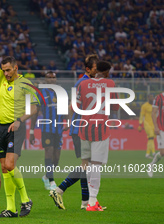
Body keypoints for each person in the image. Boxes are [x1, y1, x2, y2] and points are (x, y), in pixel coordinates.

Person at [0, 24, 38, 218]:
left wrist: (21, 120)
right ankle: (11, 208)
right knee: (4, 168)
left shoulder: (25, 83)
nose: (5, 74)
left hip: (17, 126)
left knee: (11, 165)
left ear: (15, 68)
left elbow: (35, 106)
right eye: (3, 70)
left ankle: (26, 200)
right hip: (2, 128)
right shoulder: (1, 79)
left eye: (8, 70)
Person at [50, 54, 99, 210]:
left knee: (86, 165)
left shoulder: (89, 83)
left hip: (82, 128)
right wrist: (72, 124)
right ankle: (59, 190)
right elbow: (72, 106)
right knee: (87, 164)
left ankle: (85, 202)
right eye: (96, 69)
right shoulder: (83, 83)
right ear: (88, 69)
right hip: (81, 130)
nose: (98, 73)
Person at [77, 61, 119, 211]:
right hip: (100, 128)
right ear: (107, 71)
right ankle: (92, 202)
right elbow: (115, 106)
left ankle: (90, 200)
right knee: (96, 165)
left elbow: (77, 105)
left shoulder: (83, 84)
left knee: (88, 165)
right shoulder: (110, 83)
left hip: (84, 128)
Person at [29, 71, 66, 191]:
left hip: (58, 129)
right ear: (45, 79)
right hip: (46, 128)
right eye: (49, 78)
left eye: (53, 77)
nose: (51, 80)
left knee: (56, 158)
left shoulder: (62, 92)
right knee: (49, 152)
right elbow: (35, 112)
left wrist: (69, 122)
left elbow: (66, 110)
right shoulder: (40, 92)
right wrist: (31, 131)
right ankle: (51, 181)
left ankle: (46, 176)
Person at [149, 92, 164, 177]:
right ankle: (151, 165)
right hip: (161, 128)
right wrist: (156, 127)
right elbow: (153, 113)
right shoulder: (159, 98)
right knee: (162, 153)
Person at [138, 94, 156, 159]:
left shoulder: (155, 106)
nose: (152, 98)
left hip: (154, 124)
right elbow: (141, 115)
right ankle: (154, 153)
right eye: (150, 97)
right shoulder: (144, 106)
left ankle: (147, 154)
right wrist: (140, 124)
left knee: (151, 139)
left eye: (152, 97)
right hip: (147, 124)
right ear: (148, 98)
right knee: (151, 137)